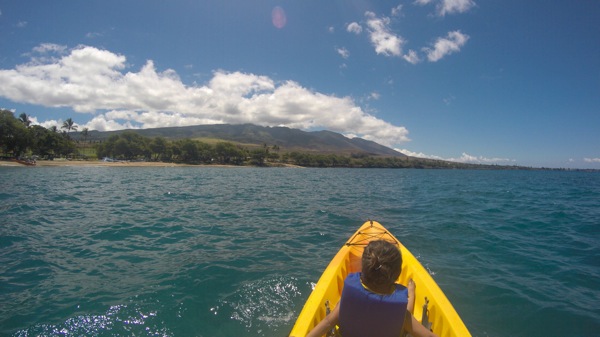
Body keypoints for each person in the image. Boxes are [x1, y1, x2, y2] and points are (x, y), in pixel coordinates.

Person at [306, 240, 439, 337]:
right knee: (404, 321)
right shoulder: (402, 314)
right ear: (397, 275)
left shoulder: (348, 300)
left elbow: (328, 322)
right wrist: (411, 295)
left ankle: (411, 295)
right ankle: (412, 295)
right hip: (401, 320)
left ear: (363, 270)